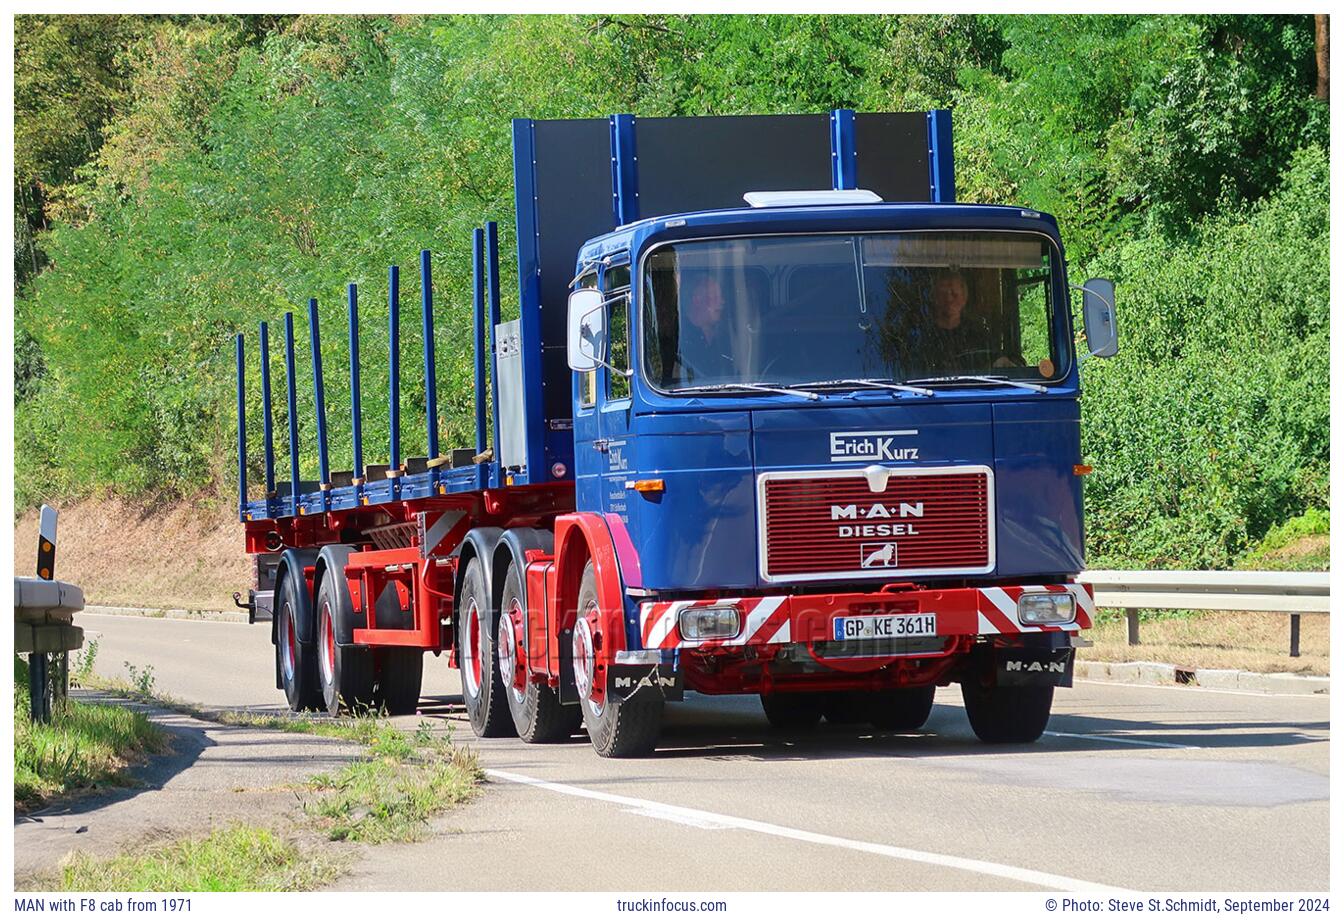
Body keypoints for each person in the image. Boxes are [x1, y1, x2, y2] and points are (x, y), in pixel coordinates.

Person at [675, 274, 735, 383]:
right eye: (716, 297)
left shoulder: (724, 338)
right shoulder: (679, 341)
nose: (722, 302)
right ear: (697, 300)